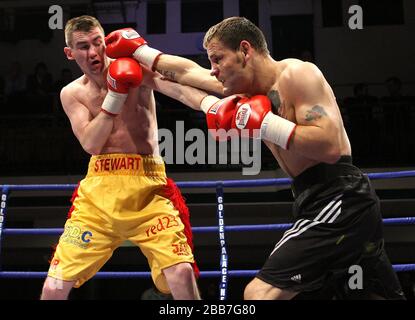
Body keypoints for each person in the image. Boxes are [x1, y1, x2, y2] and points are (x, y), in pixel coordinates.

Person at [104, 17, 405, 300]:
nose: (212, 70)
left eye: (218, 59)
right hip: (313, 200)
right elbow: (187, 75)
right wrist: (141, 56)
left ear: (245, 51)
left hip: (340, 199)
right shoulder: (248, 93)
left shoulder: (298, 74)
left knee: (258, 294)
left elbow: (328, 146)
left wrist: (267, 125)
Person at [40, 15, 211, 300]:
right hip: (99, 192)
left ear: (106, 41)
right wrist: (114, 98)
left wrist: (211, 104)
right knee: (53, 287)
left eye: (98, 42)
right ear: (70, 53)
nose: (94, 52)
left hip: (148, 186)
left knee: (180, 273)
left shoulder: (134, 69)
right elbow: (92, 143)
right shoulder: (71, 93)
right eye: (83, 47)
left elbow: (177, 88)